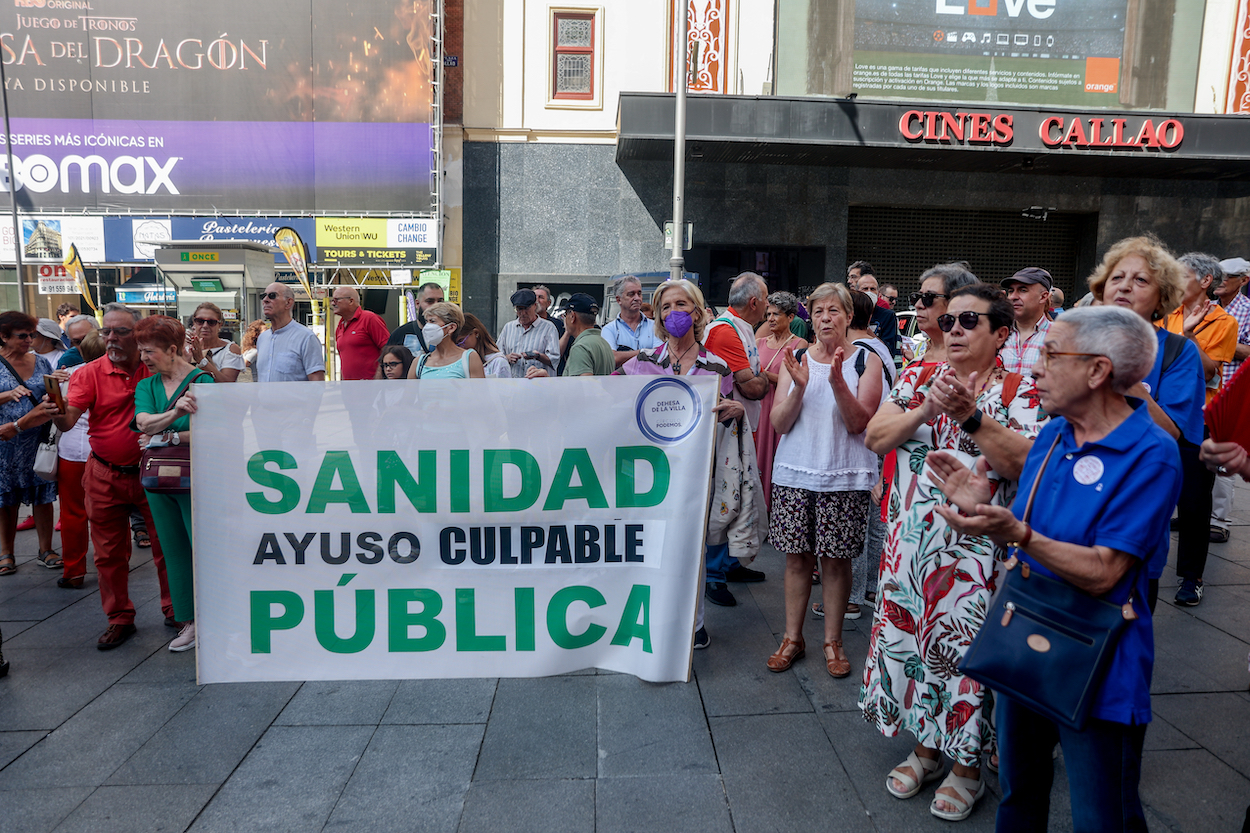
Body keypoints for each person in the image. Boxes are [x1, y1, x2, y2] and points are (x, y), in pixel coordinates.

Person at [928, 306, 1180, 833]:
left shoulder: (1150, 453)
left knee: (1101, 816)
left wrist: (1019, 536)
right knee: (1018, 796)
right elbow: (1029, 522)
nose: (1035, 367)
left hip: (1098, 654)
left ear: (1097, 371)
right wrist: (976, 501)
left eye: (1050, 354)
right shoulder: (1055, 433)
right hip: (1027, 631)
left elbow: (1106, 572)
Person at [861, 283, 1048, 822]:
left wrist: (971, 417)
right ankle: (925, 748)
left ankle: (967, 766)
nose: (955, 329)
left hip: (978, 553)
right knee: (914, 643)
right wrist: (926, 408)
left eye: (971, 321)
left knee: (966, 653)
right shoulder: (920, 375)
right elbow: (876, 436)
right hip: (912, 541)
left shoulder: (1021, 389)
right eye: (951, 321)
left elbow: (1025, 464)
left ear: (1001, 332)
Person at [614, 279, 742, 649]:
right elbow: (599, 400)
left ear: (698, 312)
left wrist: (735, 412)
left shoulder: (716, 368)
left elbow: (727, 420)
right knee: (650, 549)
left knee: (691, 550)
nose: (674, 313)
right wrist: (543, 389)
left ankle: (694, 623)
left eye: (682, 305)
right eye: (666, 306)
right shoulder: (640, 364)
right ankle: (649, 618)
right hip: (647, 478)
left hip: (695, 478)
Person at [766, 283, 885, 680]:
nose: (825, 318)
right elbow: (779, 423)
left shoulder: (865, 362)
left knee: (836, 562)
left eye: (834, 311)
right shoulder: (796, 357)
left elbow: (858, 422)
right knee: (797, 558)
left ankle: (833, 642)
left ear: (849, 317)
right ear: (810, 317)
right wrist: (800, 387)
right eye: (818, 312)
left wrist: (835, 381)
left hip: (843, 474)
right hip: (796, 472)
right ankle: (792, 637)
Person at [1088, 235, 1204, 611]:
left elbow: (1173, 432)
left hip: (1132, 512)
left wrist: (1128, 378)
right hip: (1071, 508)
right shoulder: (1074, 340)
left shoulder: (1177, 351)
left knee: (1122, 641)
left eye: (1141, 280)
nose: (1125, 285)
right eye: (1117, 277)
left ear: (1162, 297)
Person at [52, 303, 176, 649]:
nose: (111, 339)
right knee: (107, 553)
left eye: (121, 332)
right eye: (107, 331)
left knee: (166, 545)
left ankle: (175, 608)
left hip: (155, 470)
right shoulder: (89, 372)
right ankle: (119, 617)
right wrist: (55, 412)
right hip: (105, 473)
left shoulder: (155, 369)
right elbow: (69, 419)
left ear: (138, 335)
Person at [133, 315, 214, 653]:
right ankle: (190, 622)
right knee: (174, 550)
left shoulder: (203, 381)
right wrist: (171, 421)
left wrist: (162, 435)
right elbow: (142, 423)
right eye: (140, 351)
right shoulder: (147, 385)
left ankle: (218, 619)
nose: (143, 358)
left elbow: (209, 430)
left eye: (149, 351)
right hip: (158, 481)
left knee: (205, 550)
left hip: (198, 479)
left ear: (172, 349)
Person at [1166, 251, 1234, 606]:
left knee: (1194, 502)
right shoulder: (1167, 314)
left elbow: (1209, 371)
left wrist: (1189, 336)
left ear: (1205, 281)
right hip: (1162, 415)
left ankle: (1191, 577)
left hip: (1200, 420)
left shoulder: (1222, 321)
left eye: (1181, 273)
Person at [703, 272, 771, 602]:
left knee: (740, 493)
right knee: (725, 495)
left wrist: (761, 378)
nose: (769, 307)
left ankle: (729, 563)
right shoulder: (725, 332)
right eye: (767, 300)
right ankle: (714, 574)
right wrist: (770, 377)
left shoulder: (738, 329)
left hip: (737, 427)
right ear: (754, 302)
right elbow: (753, 387)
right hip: (723, 432)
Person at [0, 312, 62, 577]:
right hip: (5, 440)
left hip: (38, 438)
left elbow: (53, 397)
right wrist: (6, 395)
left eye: (31, 335)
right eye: (22, 336)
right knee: (6, 499)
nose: (29, 340)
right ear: (3, 337)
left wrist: (59, 384)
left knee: (43, 494)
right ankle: (6, 552)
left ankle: (45, 549)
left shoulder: (41, 362)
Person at [54, 330, 105, 588]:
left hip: (72, 450)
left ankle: (73, 570)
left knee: (72, 512)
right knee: (109, 514)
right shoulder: (114, 376)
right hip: (103, 452)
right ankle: (115, 562)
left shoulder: (67, 376)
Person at [753, 291, 806, 511]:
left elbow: (799, 380)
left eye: (777, 314)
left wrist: (766, 376)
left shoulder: (800, 344)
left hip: (781, 407)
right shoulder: (758, 342)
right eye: (769, 314)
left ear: (791, 317)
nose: (771, 319)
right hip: (759, 408)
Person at [1210, 256, 1250, 544]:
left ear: (1244, 280)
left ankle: (1218, 520)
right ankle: (1191, 512)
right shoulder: (1207, 308)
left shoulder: (1247, 310)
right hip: (1203, 389)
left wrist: (1221, 341)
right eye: (1218, 274)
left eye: (1229, 275)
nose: (1220, 279)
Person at [528, 294, 613, 377]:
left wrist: (548, 383)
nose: (564, 319)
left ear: (572, 316)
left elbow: (583, 387)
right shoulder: (604, 343)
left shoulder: (581, 347)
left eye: (565, 315)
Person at [256, 283, 326, 382]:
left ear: (288, 303)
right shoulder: (262, 338)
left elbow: (317, 383)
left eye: (272, 296)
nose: (265, 300)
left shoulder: (306, 338)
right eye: (263, 296)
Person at [408, 302, 485, 380]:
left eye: (433, 321)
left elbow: (479, 391)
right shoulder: (419, 363)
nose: (427, 327)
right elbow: (410, 391)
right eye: (427, 322)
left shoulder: (469, 358)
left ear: (451, 327)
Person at [999, 267, 1053, 376]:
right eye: (1011, 291)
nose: (1013, 297)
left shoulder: (1061, 336)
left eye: (1023, 290)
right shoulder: (997, 335)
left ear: (1043, 297)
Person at [330, 286, 390, 380]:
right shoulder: (340, 326)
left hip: (370, 386)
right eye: (332, 300)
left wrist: (378, 376)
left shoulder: (369, 319)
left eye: (336, 300)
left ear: (351, 301)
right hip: (349, 388)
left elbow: (387, 348)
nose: (333, 303)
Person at [498, 288, 559, 379]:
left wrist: (537, 356)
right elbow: (496, 356)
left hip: (539, 385)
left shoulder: (548, 328)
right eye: (519, 309)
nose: (523, 313)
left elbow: (554, 359)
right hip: (513, 385)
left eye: (526, 309)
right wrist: (507, 357)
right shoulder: (508, 328)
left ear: (535, 306)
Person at [602, 276, 662, 368]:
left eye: (639, 293)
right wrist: (644, 352)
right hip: (621, 382)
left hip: (649, 381)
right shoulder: (609, 329)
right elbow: (612, 359)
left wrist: (623, 355)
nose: (637, 298)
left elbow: (660, 356)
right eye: (631, 294)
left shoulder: (655, 326)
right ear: (618, 300)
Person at [184, 302, 245, 383]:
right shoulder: (185, 346)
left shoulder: (230, 349)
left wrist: (201, 360)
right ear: (194, 323)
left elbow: (227, 383)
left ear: (220, 325)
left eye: (211, 322)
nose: (205, 326)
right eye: (200, 321)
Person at [853, 268, 902, 360]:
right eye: (865, 289)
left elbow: (889, 351)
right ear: (857, 292)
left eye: (872, 289)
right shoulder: (850, 315)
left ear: (878, 294)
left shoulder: (888, 316)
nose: (869, 292)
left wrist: (868, 332)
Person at [386, 282, 446, 354]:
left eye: (440, 301)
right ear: (417, 304)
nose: (436, 306)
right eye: (430, 301)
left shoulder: (450, 333)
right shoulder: (400, 333)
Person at [459, 312, 511, 378]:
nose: (460, 346)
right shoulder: (462, 360)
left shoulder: (498, 362)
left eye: (461, 341)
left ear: (476, 333)